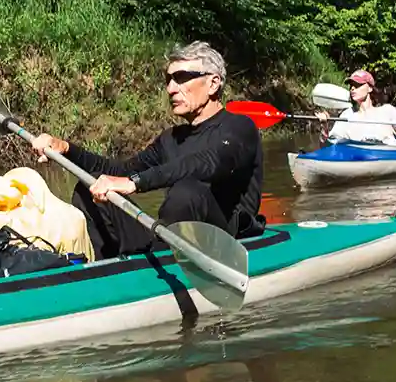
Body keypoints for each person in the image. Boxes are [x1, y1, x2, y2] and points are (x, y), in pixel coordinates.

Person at [28, 41, 263, 258]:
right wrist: (66, 148)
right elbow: (119, 170)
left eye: (181, 78)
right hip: (171, 238)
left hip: (225, 241)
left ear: (213, 83)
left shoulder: (240, 128)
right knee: (89, 188)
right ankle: (102, 270)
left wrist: (136, 182)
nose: (171, 89)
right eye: (168, 79)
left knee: (187, 189)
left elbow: (208, 163)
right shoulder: (171, 139)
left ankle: (163, 263)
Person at [324, 69, 396, 147]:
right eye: (351, 86)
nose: (352, 88)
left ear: (370, 88)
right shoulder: (347, 115)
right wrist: (324, 127)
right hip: (356, 159)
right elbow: (331, 143)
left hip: (387, 159)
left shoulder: (387, 111)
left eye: (358, 85)